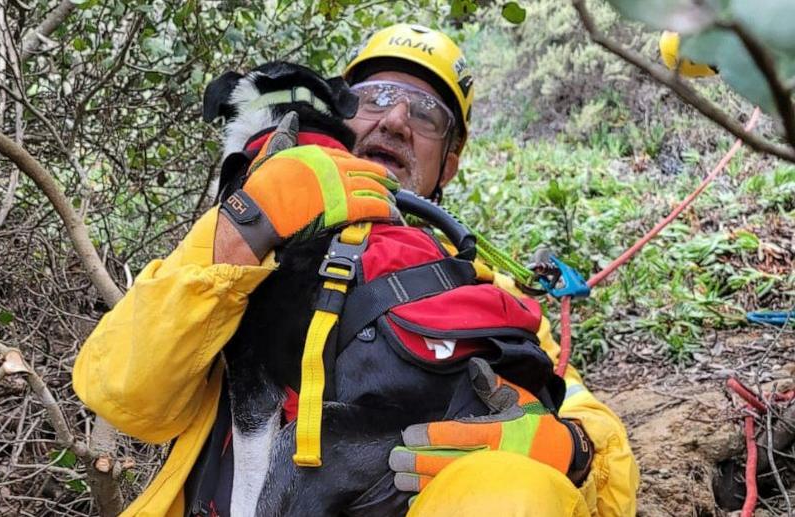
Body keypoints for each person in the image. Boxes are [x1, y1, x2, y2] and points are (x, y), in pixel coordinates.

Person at [73, 23, 639, 517]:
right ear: (341, 113)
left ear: (451, 160)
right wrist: (246, 230)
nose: (395, 120)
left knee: (515, 490)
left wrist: (575, 447)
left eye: (426, 113)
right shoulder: (248, 227)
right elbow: (125, 395)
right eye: (377, 97)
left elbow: (600, 445)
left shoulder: (483, 296)